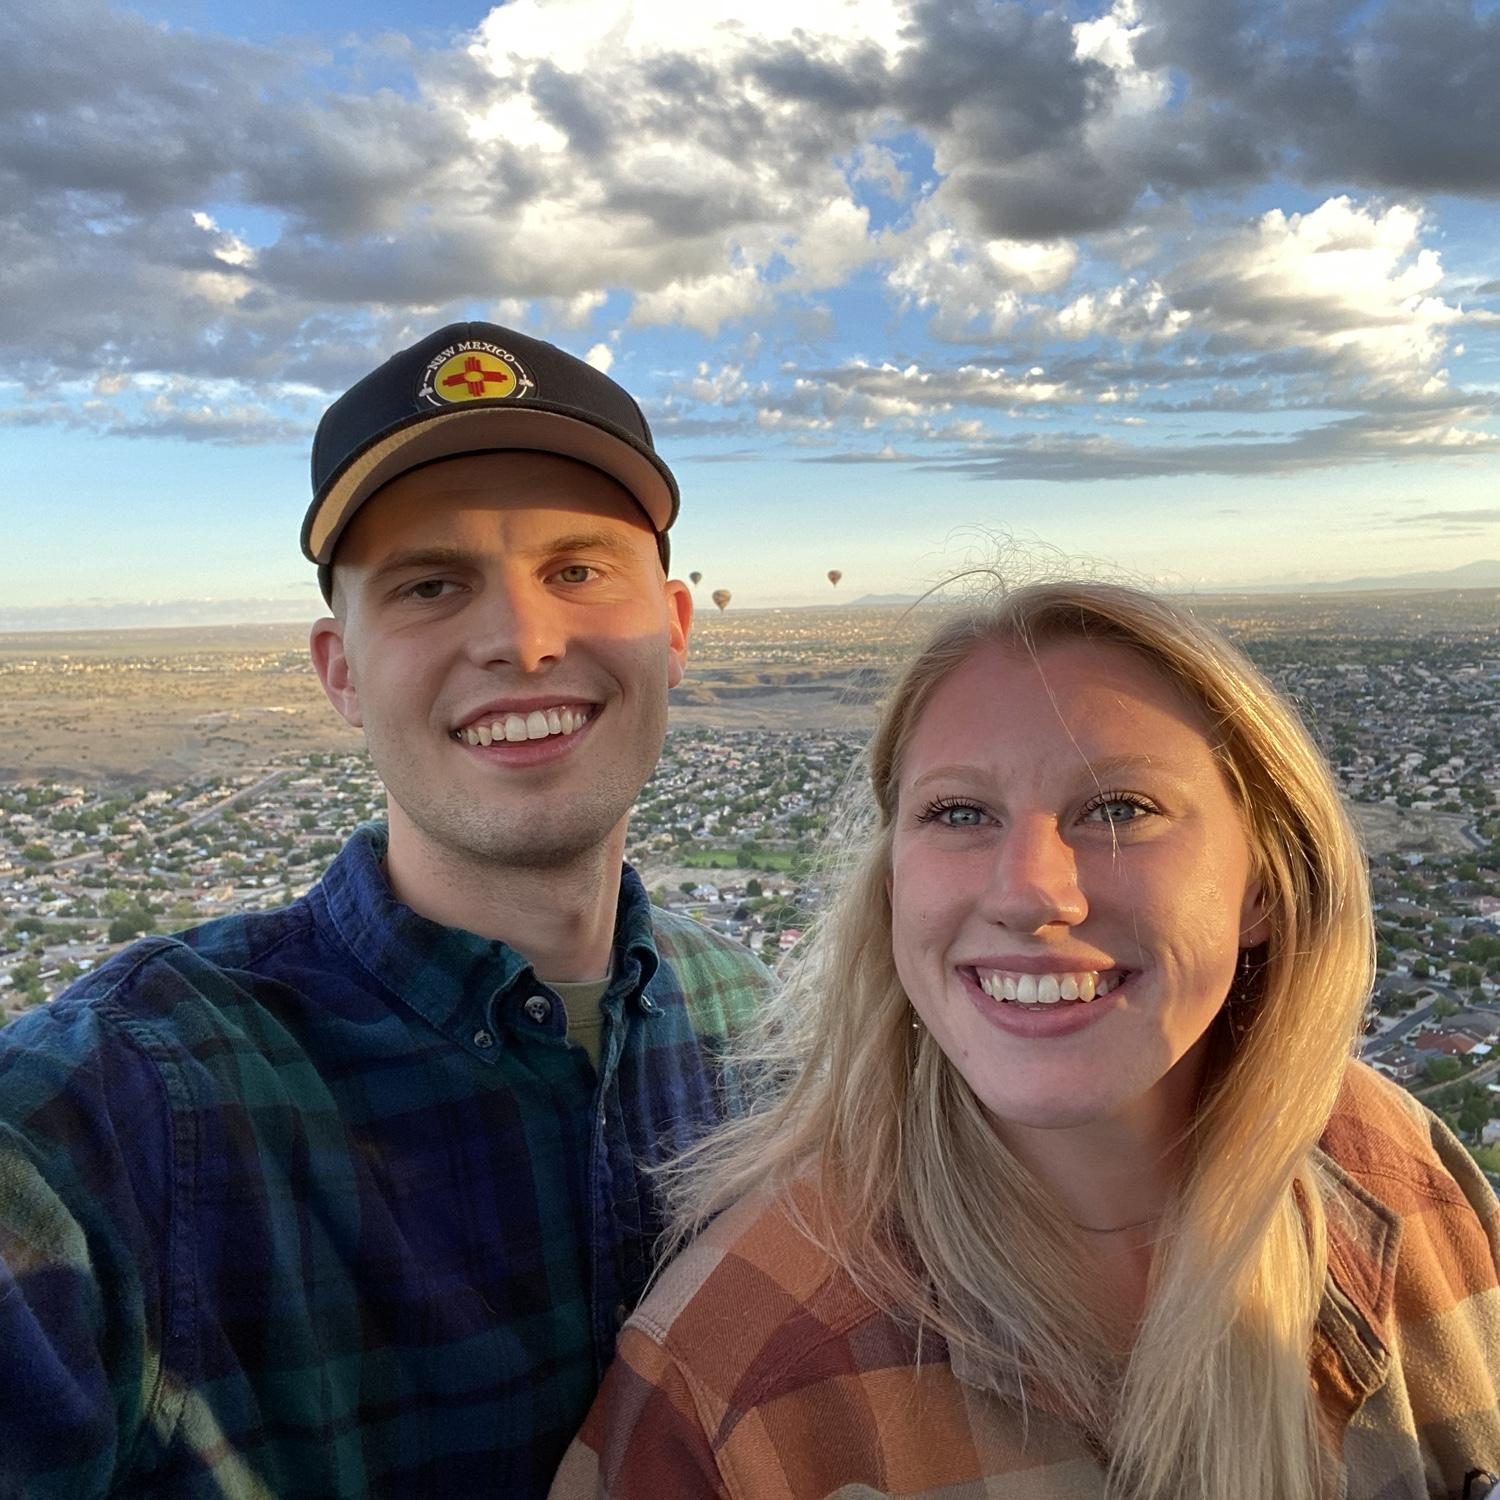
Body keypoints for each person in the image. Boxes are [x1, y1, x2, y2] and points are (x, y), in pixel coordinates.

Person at [0, 323, 773, 1498]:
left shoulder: (767, 1033)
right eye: (429, 584)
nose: (520, 638)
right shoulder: (137, 1098)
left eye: (576, 569)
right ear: (339, 671)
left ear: (672, 628)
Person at [554, 581, 1500, 1500]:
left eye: (1120, 808)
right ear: (891, 887)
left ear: (1262, 885)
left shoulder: (1398, 1173)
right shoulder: (745, 1370)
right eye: (959, 814)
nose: (1029, 892)